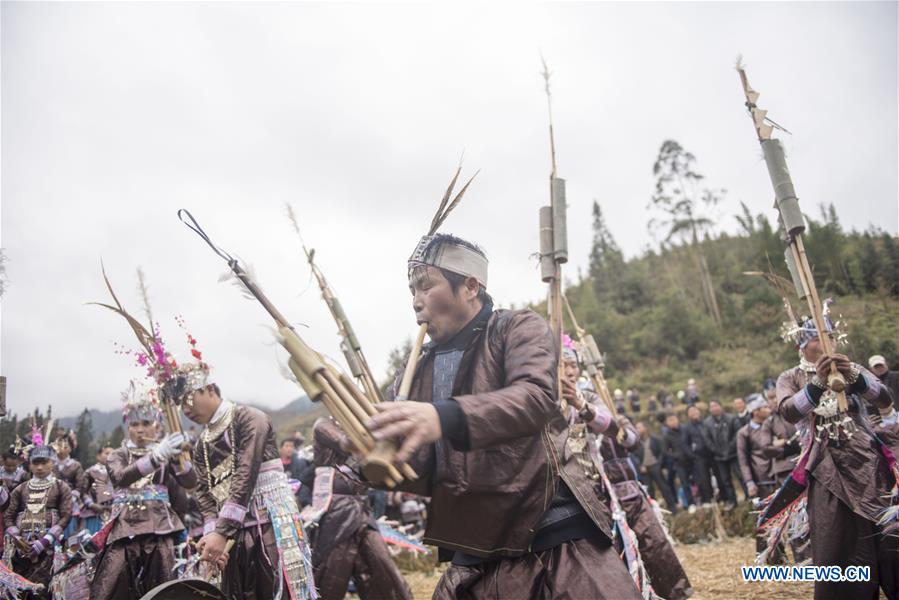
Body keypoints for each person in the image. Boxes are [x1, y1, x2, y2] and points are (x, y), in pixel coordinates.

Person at [363, 232, 641, 599]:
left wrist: (443, 417)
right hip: (473, 543)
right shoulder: (414, 371)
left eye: (425, 286)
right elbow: (425, 468)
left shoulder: (517, 328)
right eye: (411, 290)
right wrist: (376, 454)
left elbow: (536, 398)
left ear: (470, 286)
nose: (415, 302)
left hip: (552, 531)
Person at [173, 356, 316, 599]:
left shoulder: (250, 418)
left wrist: (221, 531)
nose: (185, 410)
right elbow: (205, 496)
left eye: (188, 400)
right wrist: (211, 536)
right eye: (180, 404)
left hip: (270, 526)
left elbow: (245, 473)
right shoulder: (200, 445)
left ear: (208, 388)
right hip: (232, 536)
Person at [559, 344, 692, 600]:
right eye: (563, 365)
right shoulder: (553, 404)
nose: (570, 371)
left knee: (653, 547)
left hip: (627, 492)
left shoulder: (596, 404)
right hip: (592, 498)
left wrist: (589, 409)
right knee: (613, 555)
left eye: (574, 365)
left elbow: (631, 441)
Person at [777, 318, 898, 599]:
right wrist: (817, 384)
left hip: (869, 463)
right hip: (825, 469)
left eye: (830, 334)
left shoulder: (851, 368)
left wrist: (856, 379)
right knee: (837, 545)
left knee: (890, 538)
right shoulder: (791, 377)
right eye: (819, 336)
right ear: (802, 344)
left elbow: (884, 397)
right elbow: (788, 411)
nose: (827, 340)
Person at [90, 383, 196, 600]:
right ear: (128, 427)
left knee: (165, 590)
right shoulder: (117, 455)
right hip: (122, 530)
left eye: (146, 423)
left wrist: (183, 457)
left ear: (156, 426)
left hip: (160, 530)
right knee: (110, 588)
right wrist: (157, 456)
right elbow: (121, 478)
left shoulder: (167, 453)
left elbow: (190, 483)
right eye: (135, 424)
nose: (140, 430)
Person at [307, 419, 412, 600]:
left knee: (384, 572)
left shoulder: (366, 431)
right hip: (334, 515)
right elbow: (343, 442)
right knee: (328, 579)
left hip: (363, 512)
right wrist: (370, 440)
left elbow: (374, 475)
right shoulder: (323, 426)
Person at [4, 443, 72, 599]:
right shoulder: (20, 489)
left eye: (44, 462)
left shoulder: (61, 487)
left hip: (49, 550)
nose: (40, 467)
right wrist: (17, 537)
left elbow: (66, 515)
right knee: (19, 591)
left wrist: (46, 540)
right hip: (20, 550)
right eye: (36, 463)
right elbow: (8, 515)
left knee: (43, 591)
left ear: (52, 463)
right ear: (30, 464)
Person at [631, 421, 678, 512]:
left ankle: (672, 508)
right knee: (649, 491)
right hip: (644, 469)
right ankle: (654, 511)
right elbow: (635, 456)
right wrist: (640, 466)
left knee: (664, 488)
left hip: (656, 466)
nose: (638, 430)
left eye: (639, 427)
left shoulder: (655, 440)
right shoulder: (636, 443)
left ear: (645, 428)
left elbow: (662, 452)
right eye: (636, 428)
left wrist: (658, 464)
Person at [702, 399, 740, 507]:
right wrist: (717, 450)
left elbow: (737, 434)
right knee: (725, 480)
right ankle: (732, 501)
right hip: (718, 456)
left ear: (721, 406)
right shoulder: (707, 423)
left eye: (716, 405)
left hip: (733, 453)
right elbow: (707, 440)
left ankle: (748, 497)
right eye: (712, 406)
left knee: (740, 476)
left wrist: (730, 448)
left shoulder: (731, 418)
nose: (714, 408)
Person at [51, 436, 84, 541]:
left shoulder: (76, 465)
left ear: (70, 448)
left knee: (69, 536)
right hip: (52, 502)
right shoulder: (49, 464)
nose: (61, 448)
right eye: (58, 445)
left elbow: (79, 486)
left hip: (70, 503)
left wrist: (70, 499)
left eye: (65, 445)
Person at [79, 444, 115, 534]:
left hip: (113, 512)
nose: (110, 456)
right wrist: (92, 505)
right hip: (93, 513)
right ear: (98, 456)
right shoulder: (90, 472)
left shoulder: (118, 473)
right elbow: (82, 492)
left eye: (113, 454)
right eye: (107, 453)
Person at [662, 412, 693, 508]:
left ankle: (703, 500)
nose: (673, 422)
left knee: (698, 480)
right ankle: (691, 503)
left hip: (691, 459)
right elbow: (665, 451)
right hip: (679, 463)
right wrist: (676, 455)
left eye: (674, 419)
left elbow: (692, 441)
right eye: (670, 421)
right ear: (667, 423)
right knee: (685, 484)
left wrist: (691, 452)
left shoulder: (685, 429)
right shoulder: (666, 435)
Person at [683, 404, 713, 504]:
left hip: (711, 454)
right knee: (703, 479)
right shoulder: (687, 428)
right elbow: (685, 444)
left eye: (695, 410)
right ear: (688, 415)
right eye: (691, 412)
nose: (694, 413)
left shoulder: (705, 423)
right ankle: (708, 500)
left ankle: (720, 497)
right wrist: (692, 455)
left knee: (717, 476)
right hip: (698, 457)